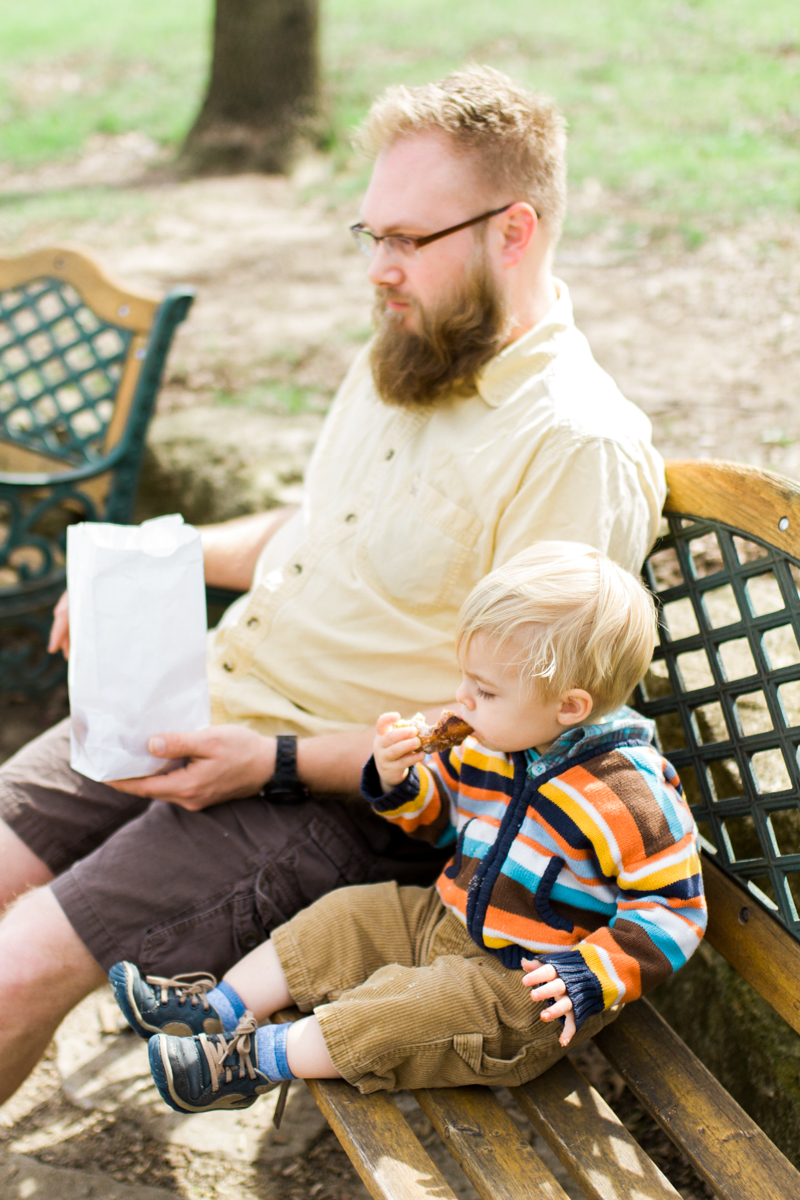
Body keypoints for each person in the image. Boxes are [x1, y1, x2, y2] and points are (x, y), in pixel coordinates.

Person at [0, 66, 666, 1107]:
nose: (378, 270)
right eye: (370, 236)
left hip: (348, 803)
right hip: (210, 706)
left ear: (512, 230)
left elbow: (520, 738)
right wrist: (152, 557)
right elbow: (315, 530)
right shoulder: (408, 352)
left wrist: (266, 760)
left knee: (13, 973)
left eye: (408, 240)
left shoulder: (573, 445)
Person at [108, 543, 706, 1110]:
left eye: (484, 689)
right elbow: (438, 819)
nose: (460, 699)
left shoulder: (627, 796)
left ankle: (247, 1063)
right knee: (343, 918)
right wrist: (399, 780)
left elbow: (673, 910)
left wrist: (590, 975)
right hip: (443, 920)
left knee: (405, 1011)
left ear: (569, 707)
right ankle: (210, 1008)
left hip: (523, 993)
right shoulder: (495, 741)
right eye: (465, 679)